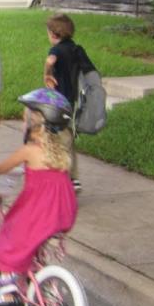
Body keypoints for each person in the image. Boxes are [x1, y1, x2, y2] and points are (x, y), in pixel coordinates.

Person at [0, 88, 79, 302]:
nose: (24, 122)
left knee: (11, 232)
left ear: (37, 124)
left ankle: (9, 282)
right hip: (63, 211)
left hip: (41, 210)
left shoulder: (30, 150)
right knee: (31, 240)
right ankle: (37, 280)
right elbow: (46, 177)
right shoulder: (61, 151)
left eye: (27, 118)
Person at [43, 13, 94, 192]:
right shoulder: (76, 49)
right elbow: (90, 72)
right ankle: (74, 178)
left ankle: (64, 178)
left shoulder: (56, 50)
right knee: (69, 139)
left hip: (57, 102)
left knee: (58, 140)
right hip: (73, 103)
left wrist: (47, 73)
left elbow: (50, 61)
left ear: (53, 34)